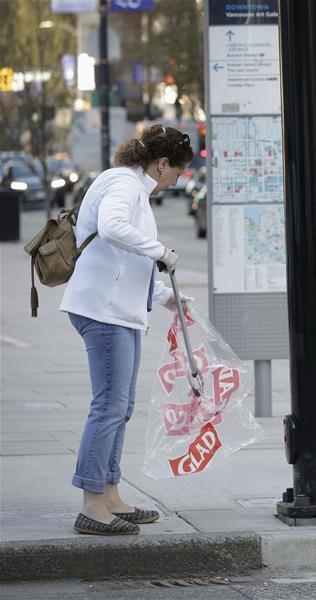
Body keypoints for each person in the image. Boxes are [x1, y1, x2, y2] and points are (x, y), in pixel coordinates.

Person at [59, 124, 195, 535]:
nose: (178, 178)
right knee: (109, 406)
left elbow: (120, 257)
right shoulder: (124, 183)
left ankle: (110, 494)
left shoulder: (134, 186)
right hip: (104, 311)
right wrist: (161, 252)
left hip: (118, 309)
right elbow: (114, 226)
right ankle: (92, 503)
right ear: (160, 163)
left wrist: (161, 294)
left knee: (121, 406)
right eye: (177, 170)